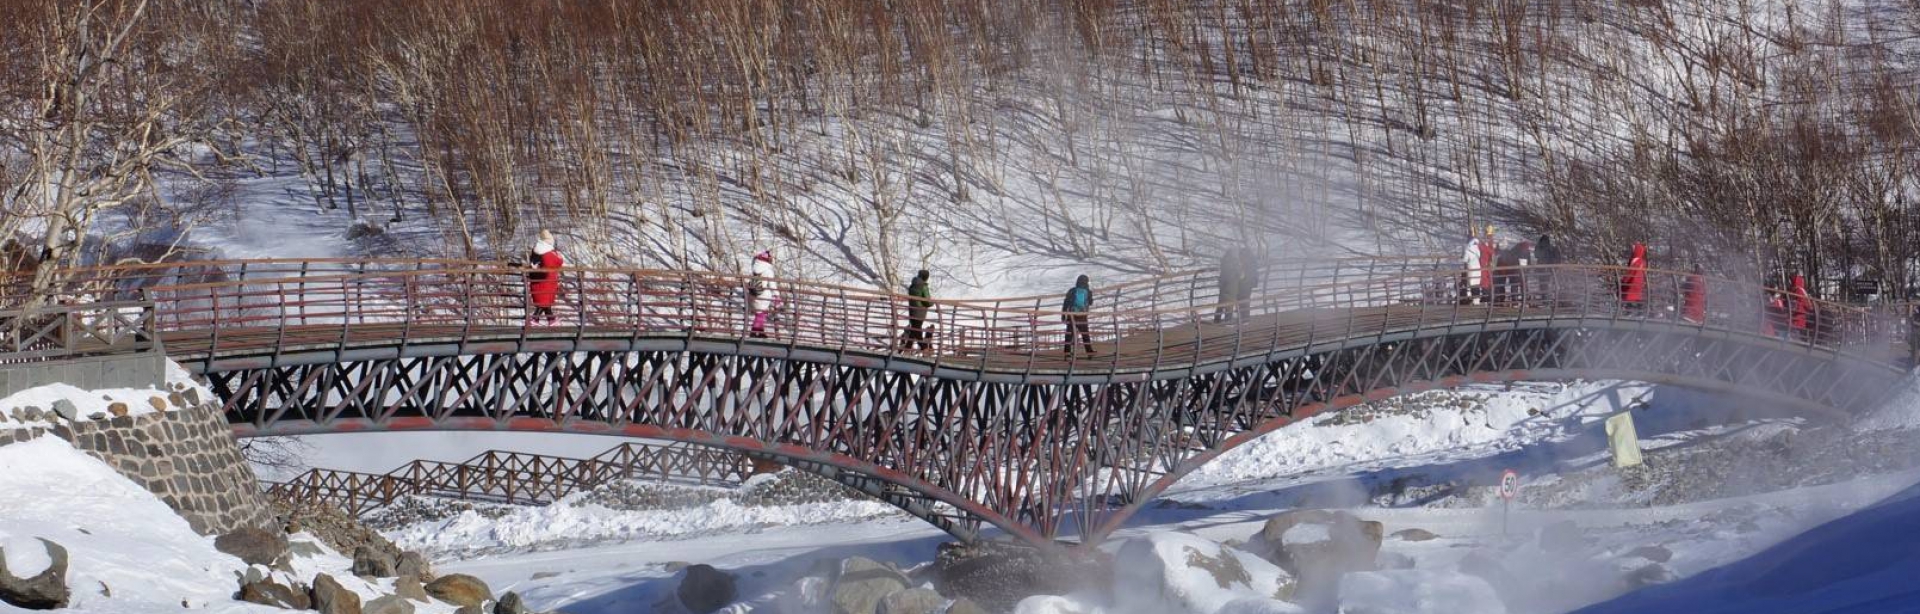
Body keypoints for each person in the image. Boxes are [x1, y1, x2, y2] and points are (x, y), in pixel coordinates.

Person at [526, 230, 564, 325]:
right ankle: (535, 319)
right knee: (544, 302)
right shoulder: (547, 252)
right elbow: (558, 261)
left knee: (544, 301)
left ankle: (551, 320)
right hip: (547, 281)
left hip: (538, 280)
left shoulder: (536, 250)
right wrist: (558, 255)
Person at [747, 250, 780, 338]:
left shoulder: (754, 267)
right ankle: (754, 332)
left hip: (752, 294)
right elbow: (772, 285)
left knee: (761, 313)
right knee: (761, 313)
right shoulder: (768, 270)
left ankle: (760, 331)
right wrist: (776, 295)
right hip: (762, 295)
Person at [1063, 275, 1094, 357]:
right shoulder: (1088, 291)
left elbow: (1066, 302)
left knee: (1069, 335)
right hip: (1082, 316)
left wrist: (1063, 314)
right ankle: (1089, 352)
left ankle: (1067, 353)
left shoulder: (1072, 290)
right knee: (1085, 334)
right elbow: (1091, 303)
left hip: (1072, 315)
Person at [1495, 240, 1533, 304]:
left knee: (1517, 286)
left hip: (1517, 271)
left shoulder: (1517, 251)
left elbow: (1528, 262)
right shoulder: (1522, 251)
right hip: (1519, 271)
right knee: (1521, 285)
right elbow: (1528, 262)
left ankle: (1516, 300)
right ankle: (1522, 300)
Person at [903, 269, 933, 350]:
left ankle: (907, 347)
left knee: (914, 329)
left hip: (912, 309)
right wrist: (932, 303)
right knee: (916, 329)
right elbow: (928, 302)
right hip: (920, 311)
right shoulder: (923, 286)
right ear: (926, 277)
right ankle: (923, 347)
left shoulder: (913, 284)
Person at [1215, 250, 1243, 323]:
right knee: (1230, 303)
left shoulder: (1224, 262)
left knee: (1221, 302)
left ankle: (1217, 319)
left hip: (1223, 284)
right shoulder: (1235, 262)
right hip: (1232, 285)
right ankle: (1228, 320)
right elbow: (1240, 275)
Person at [1620, 243, 1648, 312]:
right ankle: (1640, 311)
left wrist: (1624, 280)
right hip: (1639, 282)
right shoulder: (1642, 261)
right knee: (1636, 296)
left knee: (1628, 296)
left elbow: (1631, 272)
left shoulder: (1635, 261)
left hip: (1633, 282)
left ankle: (1629, 311)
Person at [1234, 247, 1259, 321]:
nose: (1240, 258)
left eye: (1241, 256)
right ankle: (1244, 317)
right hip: (1248, 283)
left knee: (1242, 299)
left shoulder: (1248, 264)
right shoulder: (1251, 262)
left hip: (1246, 284)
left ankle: (1244, 317)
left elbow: (1244, 275)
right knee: (1244, 299)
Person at [1790, 274, 1815, 342]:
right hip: (1796, 320)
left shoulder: (1799, 290)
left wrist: (1795, 307)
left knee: (1795, 339)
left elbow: (1808, 305)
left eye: (1792, 281)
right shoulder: (1797, 291)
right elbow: (1809, 306)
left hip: (1797, 320)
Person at [1461, 233, 1484, 305]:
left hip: (1471, 268)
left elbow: (1464, 260)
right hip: (1478, 267)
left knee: (1471, 283)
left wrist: (1462, 257)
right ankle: (1476, 300)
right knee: (1476, 283)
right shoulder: (1477, 249)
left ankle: (1470, 298)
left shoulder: (1468, 250)